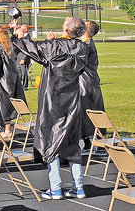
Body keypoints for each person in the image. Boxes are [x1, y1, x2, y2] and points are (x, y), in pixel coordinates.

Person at [13, 17, 89, 199]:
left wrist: (21, 35)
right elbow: (61, 49)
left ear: (67, 28)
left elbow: (34, 50)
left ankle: (55, 187)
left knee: (50, 142)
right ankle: (78, 187)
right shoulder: (82, 48)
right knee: (72, 143)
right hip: (72, 100)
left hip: (52, 100)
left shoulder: (55, 46)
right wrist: (55, 41)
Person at [0, 26, 21, 139]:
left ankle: (6, 130)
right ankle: (8, 129)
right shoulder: (10, 49)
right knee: (7, 105)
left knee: (1, 104)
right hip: (11, 81)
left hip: (1, 81)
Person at [79, 20, 104, 148]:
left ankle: (91, 140)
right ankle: (90, 139)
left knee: (87, 110)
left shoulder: (86, 46)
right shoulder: (86, 44)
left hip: (86, 82)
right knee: (89, 110)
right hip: (89, 81)